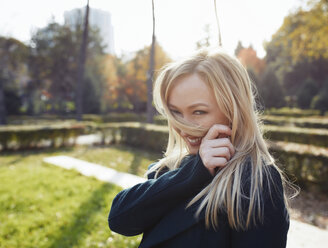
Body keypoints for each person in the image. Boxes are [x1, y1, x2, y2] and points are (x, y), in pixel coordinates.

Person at [108, 48, 291, 248]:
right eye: (175, 112)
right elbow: (120, 220)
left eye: (198, 112)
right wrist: (194, 173)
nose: (183, 126)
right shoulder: (174, 167)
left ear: (233, 109)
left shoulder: (255, 180)